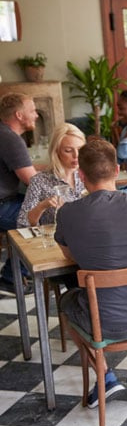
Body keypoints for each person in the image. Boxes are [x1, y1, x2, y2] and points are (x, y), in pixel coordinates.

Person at [55, 139, 127, 408]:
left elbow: (68, 256)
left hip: (101, 322)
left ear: (81, 176)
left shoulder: (68, 213)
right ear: (117, 170)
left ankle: (105, 375)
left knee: (65, 302)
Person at [0, 93, 38, 293]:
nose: (36, 115)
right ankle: (12, 277)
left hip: (7, 200)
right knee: (41, 218)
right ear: (19, 115)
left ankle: (12, 275)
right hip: (2, 205)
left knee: (36, 211)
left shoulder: (4, 134)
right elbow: (32, 181)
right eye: (32, 110)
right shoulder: (10, 139)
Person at [17, 123, 86, 228]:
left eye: (80, 150)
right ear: (56, 151)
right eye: (68, 150)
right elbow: (23, 222)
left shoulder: (90, 175)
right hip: (56, 241)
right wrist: (42, 206)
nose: (76, 155)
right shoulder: (40, 181)